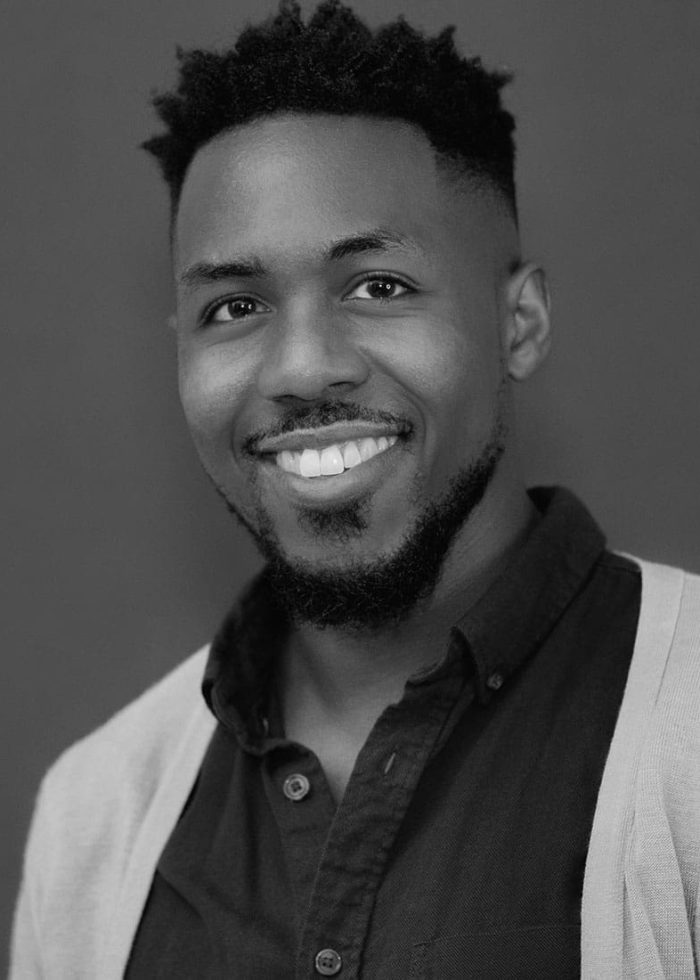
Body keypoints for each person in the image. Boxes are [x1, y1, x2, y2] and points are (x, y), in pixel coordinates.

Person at [11, 2, 700, 977]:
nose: (302, 367)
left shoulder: (684, 730)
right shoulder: (94, 815)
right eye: (234, 306)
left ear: (520, 323)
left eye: (377, 286)